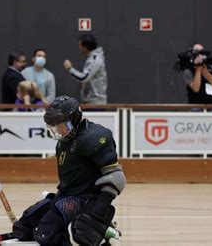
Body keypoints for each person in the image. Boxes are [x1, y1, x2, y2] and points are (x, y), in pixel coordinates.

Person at [12, 96, 126, 245]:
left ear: (74, 119)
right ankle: (92, 229)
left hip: (85, 198)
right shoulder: (63, 142)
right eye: (55, 126)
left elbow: (116, 177)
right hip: (64, 196)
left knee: (45, 234)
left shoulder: (93, 137)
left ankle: (99, 229)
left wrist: (100, 208)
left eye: (61, 125)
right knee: (22, 228)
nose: (58, 130)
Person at [63, 34, 107, 105]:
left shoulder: (95, 60)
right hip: (90, 102)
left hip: (96, 103)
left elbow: (84, 78)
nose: (79, 48)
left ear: (86, 47)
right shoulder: (91, 58)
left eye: (80, 45)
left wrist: (70, 68)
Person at [183, 44, 212, 109]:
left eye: (201, 51)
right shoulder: (188, 71)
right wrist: (198, 69)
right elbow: (196, 88)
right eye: (196, 51)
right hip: (196, 106)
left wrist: (207, 74)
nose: (199, 54)